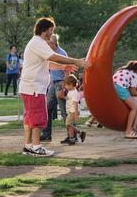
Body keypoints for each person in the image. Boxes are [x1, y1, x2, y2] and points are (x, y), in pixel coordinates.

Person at [20, 17, 88, 157]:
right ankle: (37, 147)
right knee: (38, 117)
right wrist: (77, 61)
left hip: (30, 87)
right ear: (44, 29)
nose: (52, 34)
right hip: (34, 88)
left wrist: (63, 66)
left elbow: (47, 63)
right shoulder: (38, 43)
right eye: (51, 30)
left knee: (30, 117)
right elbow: (54, 57)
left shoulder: (36, 43)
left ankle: (28, 146)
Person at [41, 34, 69, 141]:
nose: (47, 45)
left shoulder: (62, 53)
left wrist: (64, 87)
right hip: (52, 84)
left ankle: (72, 135)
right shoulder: (49, 53)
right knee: (47, 108)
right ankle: (46, 134)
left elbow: (67, 70)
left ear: (54, 43)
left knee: (64, 110)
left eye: (48, 43)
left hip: (61, 83)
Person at [113, 60, 137, 139]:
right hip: (120, 88)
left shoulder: (124, 70)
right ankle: (128, 131)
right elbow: (133, 92)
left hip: (113, 87)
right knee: (135, 108)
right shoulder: (134, 75)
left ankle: (134, 128)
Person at [60, 75, 86, 145]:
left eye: (66, 85)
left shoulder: (75, 93)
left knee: (68, 125)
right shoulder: (71, 91)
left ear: (71, 84)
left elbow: (75, 104)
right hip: (70, 111)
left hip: (73, 111)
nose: (65, 87)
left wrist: (76, 113)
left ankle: (72, 139)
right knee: (69, 125)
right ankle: (79, 133)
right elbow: (69, 99)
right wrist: (63, 97)